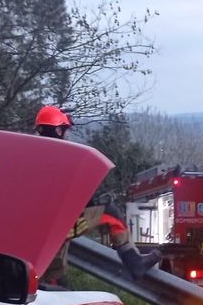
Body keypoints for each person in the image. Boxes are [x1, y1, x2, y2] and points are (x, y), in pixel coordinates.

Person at [35, 105, 162, 287]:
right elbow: (76, 195)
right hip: (57, 229)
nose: (66, 135)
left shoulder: (34, 155)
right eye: (65, 130)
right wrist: (96, 202)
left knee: (53, 284)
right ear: (57, 129)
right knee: (110, 214)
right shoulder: (61, 157)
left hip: (40, 231)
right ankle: (135, 263)